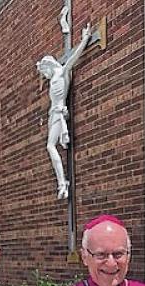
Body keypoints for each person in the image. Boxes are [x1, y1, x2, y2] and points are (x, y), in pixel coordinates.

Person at [36, 23, 92, 199]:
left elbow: (73, 59)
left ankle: (62, 183)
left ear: (49, 66)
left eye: (44, 71)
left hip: (59, 112)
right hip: (54, 113)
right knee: (50, 146)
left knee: (50, 146)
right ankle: (61, 182)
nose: (44, 76)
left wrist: (84, 40)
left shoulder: (60, 73)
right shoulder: (54, 78)